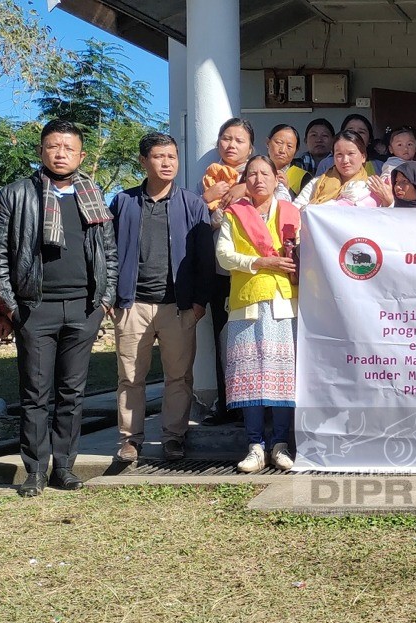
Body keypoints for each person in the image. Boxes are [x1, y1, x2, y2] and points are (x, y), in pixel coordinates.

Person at [0, 119, 118, 497]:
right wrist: (12, 308)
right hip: (35, 308)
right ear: (41, 150)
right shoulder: (15, 194)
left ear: (81, 155)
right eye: (53, 146)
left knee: (72, 394)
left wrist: (104, 298)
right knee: (35, 394)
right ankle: (35, 470)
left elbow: (108, 251)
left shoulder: (92, 194)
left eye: (69, 148)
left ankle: (64, 466)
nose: (61, 154)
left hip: (83, 308)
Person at [108, 132, 213, 464]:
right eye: (159, 157)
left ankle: (173, 437)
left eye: (172, 157)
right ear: (143, 161)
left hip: (178, 306)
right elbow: (108, 251)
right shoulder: (123, 202)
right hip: (132, 304)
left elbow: (204, 259)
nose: (167, 163)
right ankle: (129, 440)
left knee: (179, 376)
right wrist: (111, 296)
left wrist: (199, 303)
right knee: (131, 376)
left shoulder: (192, 204)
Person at [216, 155, 300, 473]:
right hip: (247, 304)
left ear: (277, 178)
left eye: (264, 173)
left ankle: (280, 444)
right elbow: (223, 255)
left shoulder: (292, 212)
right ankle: (255, 445)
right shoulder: (234, 214)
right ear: (245, 180)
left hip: (283, 303)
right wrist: (262, 263)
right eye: (252, 174)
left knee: (282, 379)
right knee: (249, 379)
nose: (258, 179)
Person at [199, 118, 253, 427]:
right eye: (226, 138)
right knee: (223, 341)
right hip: (222, 273)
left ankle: (256, 407)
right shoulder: (209, 178)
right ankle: (227, 403)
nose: (231, 145)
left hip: (254, 272)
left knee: (255, 340)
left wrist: (243, 186)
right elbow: (199, 221)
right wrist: (209, 202)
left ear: (250, 147)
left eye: (239, 140)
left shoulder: (258, 175)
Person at [296, 130, 380, 207]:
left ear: (363, 157)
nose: (345, 160)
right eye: (339, 154)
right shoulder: (317, 183)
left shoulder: (373, 186)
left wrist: (388, 201)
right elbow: (297, 208)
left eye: (351, 153)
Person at [315, 114, 382, 174]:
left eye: (361, 132)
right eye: (350, 131)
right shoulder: (327, 164)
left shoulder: (380, 166)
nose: (355, 135)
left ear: (369, 140)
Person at [266, 124, 309, 201]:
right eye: (278, 143)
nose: (282, 150)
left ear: (296, 150)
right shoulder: (256, 170)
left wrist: (287, 189)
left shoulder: (303, 177)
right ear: (267, 143)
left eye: (289, 146)